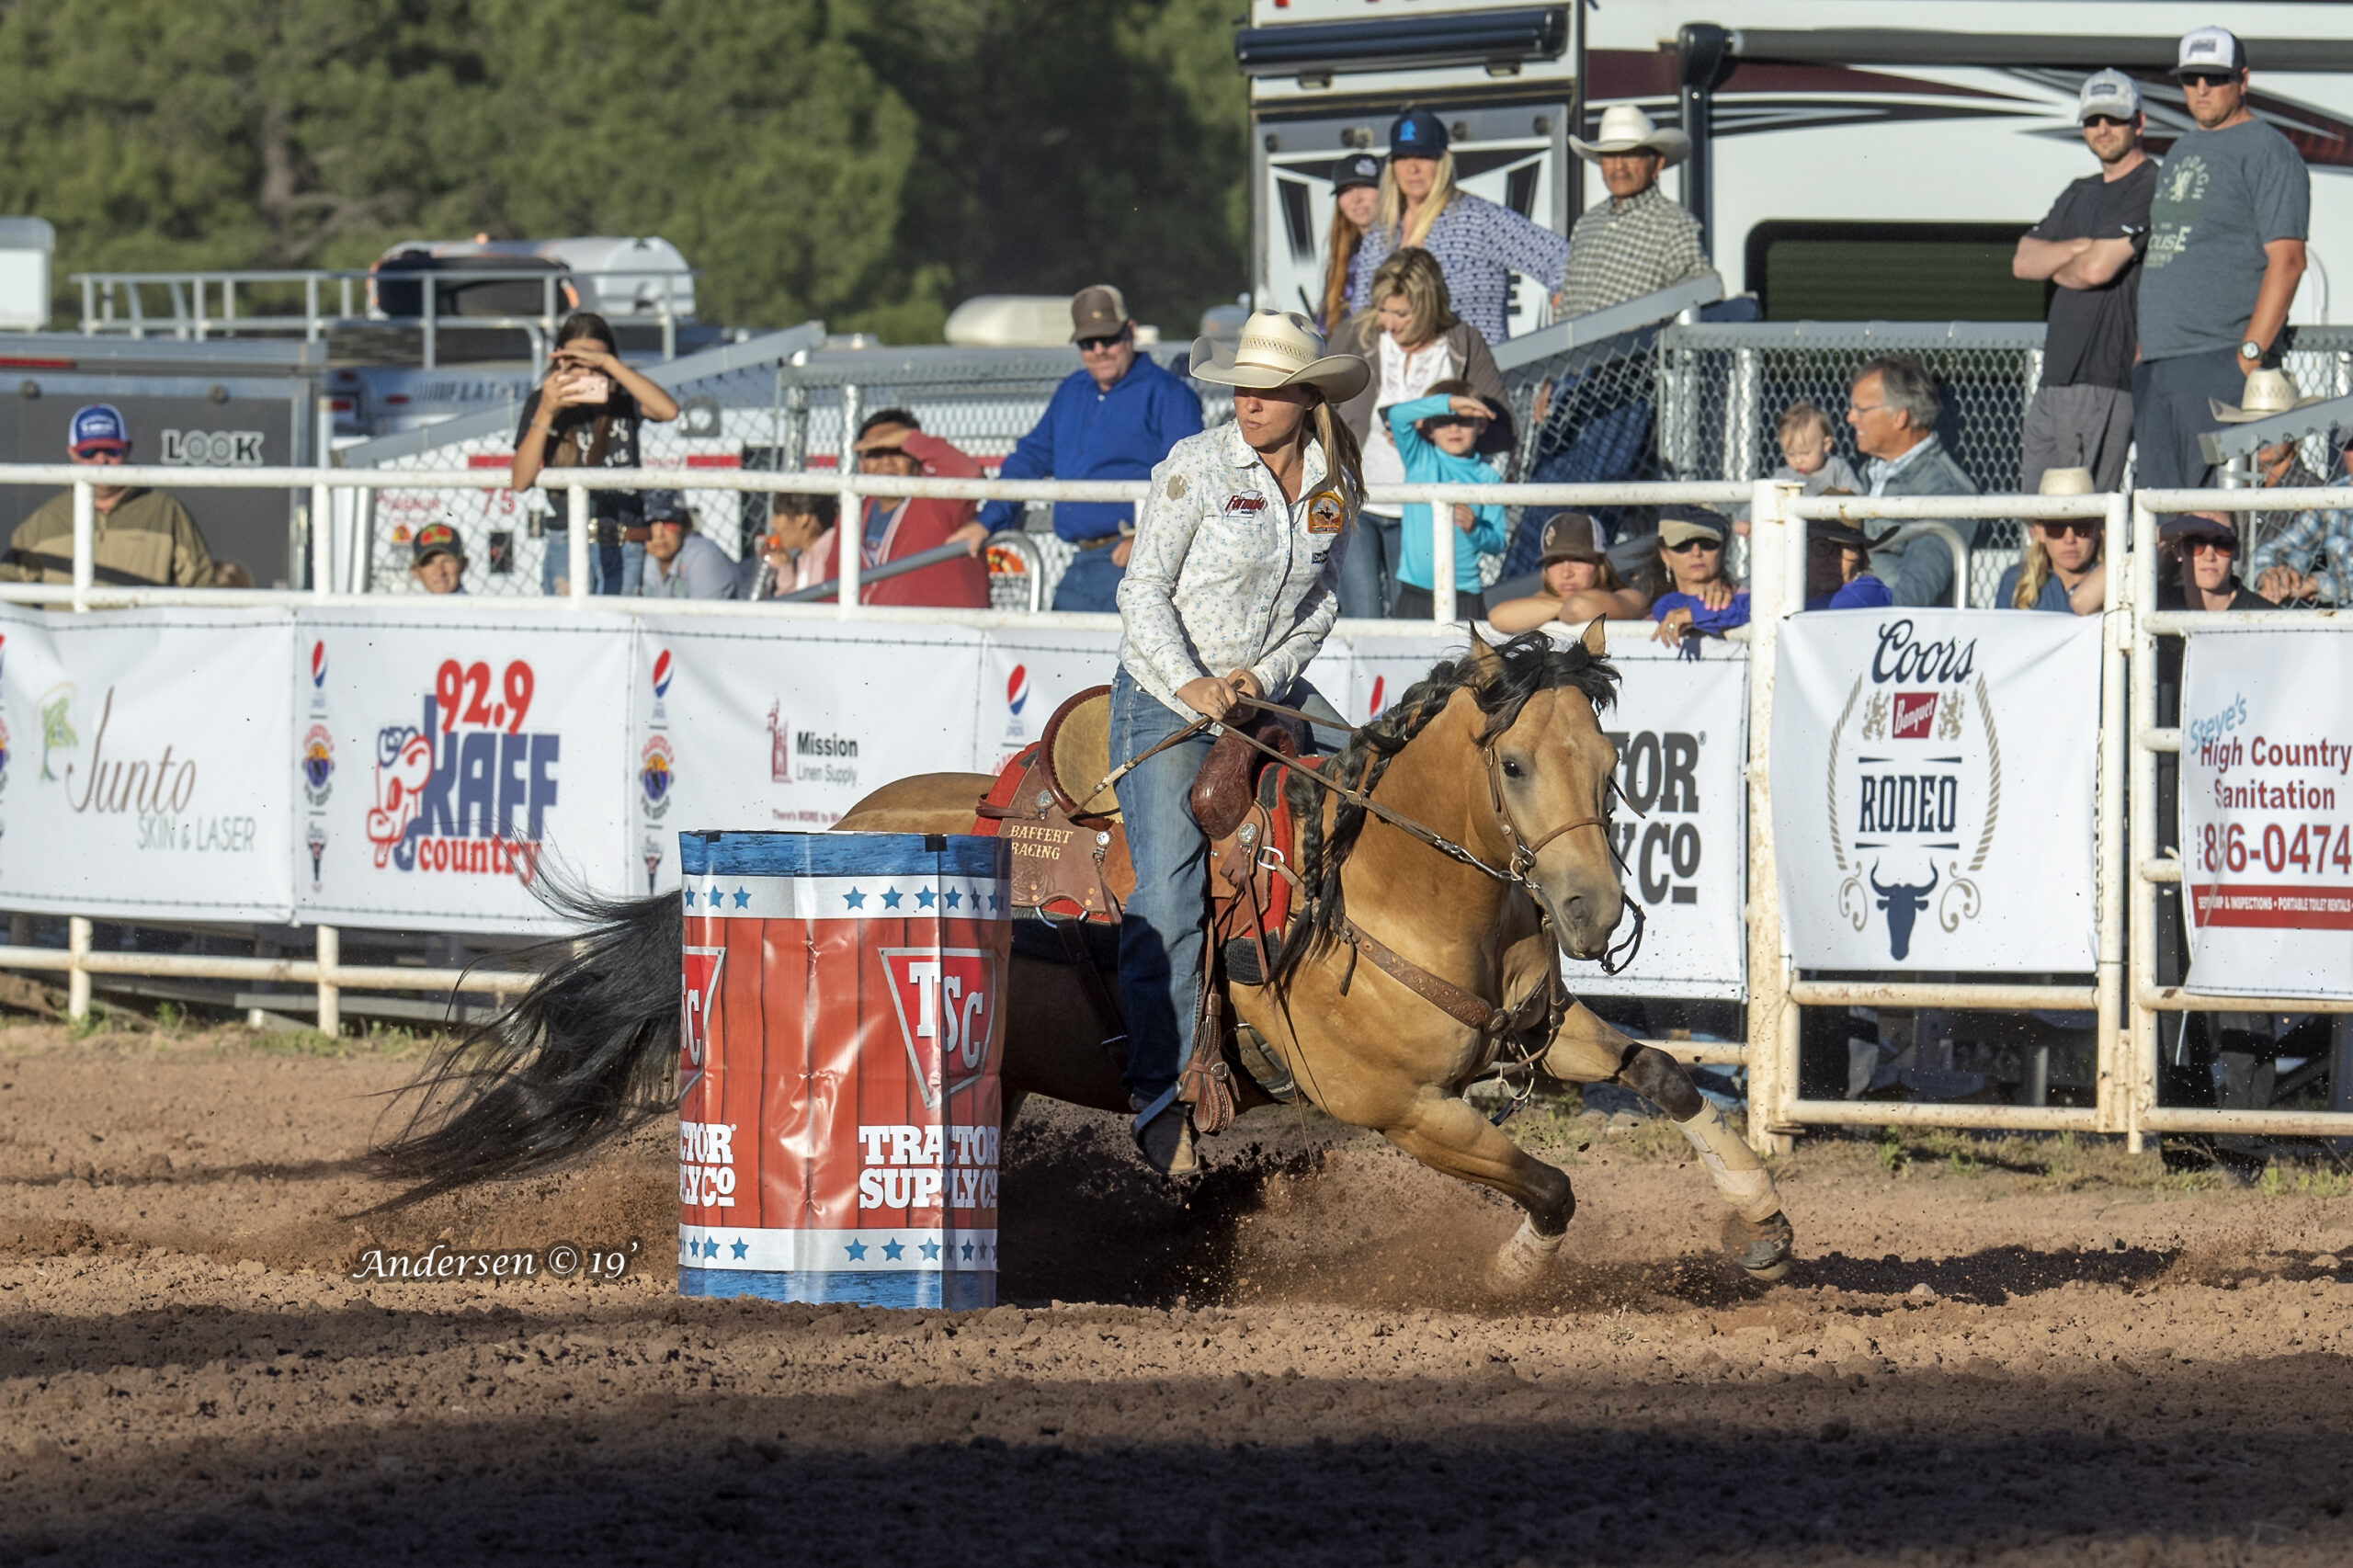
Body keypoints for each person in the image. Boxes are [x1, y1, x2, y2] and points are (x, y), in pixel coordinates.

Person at [1114, 309, 1366, 1176]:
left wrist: (1261, 677)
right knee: (1171, 894)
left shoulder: (1333, 483)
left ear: (1306, 398)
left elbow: (1322, 602)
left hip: (1266, 690)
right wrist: (1191, 682)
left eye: (1267, 391)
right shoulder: (1195, 465)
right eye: (1241, 390)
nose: (1248, 404)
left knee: (1369, 792)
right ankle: (1160, 1093)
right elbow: (1142, 589)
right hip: (1166, 699)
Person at [2131, 27, 2311, 494]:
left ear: (2243, 79)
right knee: (2162, 525)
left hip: (2216, 362)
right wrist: (2142, 352)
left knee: (2211, 528)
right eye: (2191, 78)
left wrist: (2245, 359)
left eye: (2215, 77)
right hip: (2157, 364)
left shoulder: (2269, 151)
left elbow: (2288, 261)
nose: (2202, 89)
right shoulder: (2181, 150)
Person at [959, 286, 1203, 612]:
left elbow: (1189, 479)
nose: (1099, 350)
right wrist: (986, 521)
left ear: (1129, 332)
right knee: (1060, 657)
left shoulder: (1168, 394)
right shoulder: (1071, 391)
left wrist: (1148, 541)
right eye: (1088, 343)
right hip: (1082, 564)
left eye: (1109, 338)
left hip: (1139, 565)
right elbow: (1029, 459)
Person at [1331, 246, 1509, 617]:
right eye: (1382, 309)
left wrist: (1437, 437)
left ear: (1428, 306)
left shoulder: (1463, 342)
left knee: (1413, 624)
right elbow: (1319, 403)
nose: (1389, 323)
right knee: (1363, 618)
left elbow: (1498, 423)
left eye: (1402, 313)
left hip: (1424, 513)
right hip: (1357, 499)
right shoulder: (1356, 334)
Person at [2011, 70, 2158, 494]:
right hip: (2055, 378)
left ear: (2139, 122)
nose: (2103, 129)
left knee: (2083, 516)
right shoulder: (2079, 190)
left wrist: (2061, 260)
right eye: (2093, 120)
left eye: (2114, 119)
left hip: (2103, 379)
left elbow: (2098, 271)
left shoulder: (2152, 184)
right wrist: (2083, 246)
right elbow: (2023, 261)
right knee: (2035, 515)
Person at [1347, 108, 1568, 345]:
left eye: (1424, 156)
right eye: (1403, 157)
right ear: (1392, 166)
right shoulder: (1379, 237)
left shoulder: (1477, 219)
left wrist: (1559, 342)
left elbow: (1561, 259)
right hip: (1399, 376)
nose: (1412, 168)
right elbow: (1361, 318)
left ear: (1443, 161)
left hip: (1474, 373)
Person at [510, 312, 680, 597]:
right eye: (578, 364)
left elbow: (669, 411)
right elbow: (520, 480)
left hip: (626, 543)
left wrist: (610, 365)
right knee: (571, 634)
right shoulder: (543, 403)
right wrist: (547, 411)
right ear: (560, 363)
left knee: (619, 633)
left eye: (595, 365)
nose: (587, 375)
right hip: (569, 541)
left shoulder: (624, 398)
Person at [3, 403, 215, 586]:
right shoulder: (44, 521)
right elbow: (9, 590)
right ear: (72, 453)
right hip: (69, 634)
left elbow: (202, 586)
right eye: (89, 452)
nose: (101, 459)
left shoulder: (166, 512)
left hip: (143, 634)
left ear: (127, 450)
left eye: (111, 450)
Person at [1554, 105, 1711, 319]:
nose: (1619, 166)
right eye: (1609, 156)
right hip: (1575, 352)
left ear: (1657, 164)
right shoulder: (1588, 223)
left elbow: (1700, 292)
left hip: (1638, 352)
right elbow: (1567, 302)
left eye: (1630, 155)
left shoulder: (1674, 225)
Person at [821, 411, 990, 608]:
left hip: (944, 631)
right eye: (876, 453)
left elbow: (968, 473)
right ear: (861, 462)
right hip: (870, 631)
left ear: (916, 457)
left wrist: (908, 438)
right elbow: (833, 583)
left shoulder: (938, 499)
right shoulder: (853, 512)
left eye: (897, 450)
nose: (886, 462)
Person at [1847, 355, 1980, 607]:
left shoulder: (1947, 493)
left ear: (1900, 417)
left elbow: (1911, 595)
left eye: (1861, 410)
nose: (1850, 418)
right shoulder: (1859, 477)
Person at [1382, 381, 1510, 621]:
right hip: (1414, 592)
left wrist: (1474, 528)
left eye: (1463, 420)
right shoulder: (1420, 459)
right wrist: (1451, 403)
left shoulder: (1488, 476)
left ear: (1481, 425)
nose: (1454, 428)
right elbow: (1397, 416)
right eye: (1443, 420)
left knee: (1466, 660)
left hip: (1464, 594)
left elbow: (1497, 542)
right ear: (1429, 427)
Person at [1486, 513, 1649, 632]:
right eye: (1555, 562)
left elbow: (1579, 608)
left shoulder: (1630, 596)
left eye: (1577, 559)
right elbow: (1498, 618)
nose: (1566, 573)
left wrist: (1548, 608)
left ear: (1599, 563)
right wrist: (1559, 605)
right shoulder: (1544, 600)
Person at [2248, 426, 2353, 605]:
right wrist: (2273, 575)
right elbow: (2275, 550)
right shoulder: (2332, 497)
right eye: (2351, 445)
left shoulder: (2307, 485)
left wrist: (2316, 583)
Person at [1995, 467, 2106, 615]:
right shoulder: (2015, 582)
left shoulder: (2115, 580)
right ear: (2040, 531)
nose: (2069, 539)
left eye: (2082, 527)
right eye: (2057, 528)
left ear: (2097, 530)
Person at [1649, 509, 1747, 646]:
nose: (1696, 552)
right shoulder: (1656, 611)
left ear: (1723, 548)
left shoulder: (1752, 599)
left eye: (1707, 543)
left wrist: (1697, 613)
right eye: (1683, 544)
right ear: (1664, 554)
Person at [1318, 153, 1383, 335]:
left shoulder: (1404, 249)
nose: (1356, 198)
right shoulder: (1341, 258)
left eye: (1364, 186)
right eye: (1346, 190)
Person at [640, 491, 739, 600]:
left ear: (685, 524)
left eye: (668, 522)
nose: (659, 534)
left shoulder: (703, 556)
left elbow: (707, 616)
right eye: (649, 524)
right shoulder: (643, 559)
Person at [741, 493, 837, 600]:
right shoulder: (805, 557)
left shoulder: (832, 551)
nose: (772, 524)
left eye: (778, 515)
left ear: (803, 518)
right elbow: (792, 606)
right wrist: (785, 567)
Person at [1802, 514, 1893, 612]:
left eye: (1848, 549)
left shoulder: (1867, 595)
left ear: (1861, 559)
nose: (1835, 559)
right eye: (1822, 546)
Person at [1772, 403, 1862, 496]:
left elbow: (1858, 496)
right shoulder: (1782, 477)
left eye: (1805, 453)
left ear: (1826, 445)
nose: (1798, 461)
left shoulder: (1837, 469)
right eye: (1790, 454)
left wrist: (1847, 493)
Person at [409, 520, 468, 595]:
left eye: (447, 560)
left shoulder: (477, 605)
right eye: (429, 562)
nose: (440, 572)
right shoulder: (412, 605)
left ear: (463, 564)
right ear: (416, 571)